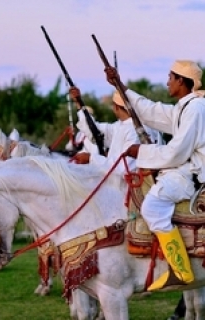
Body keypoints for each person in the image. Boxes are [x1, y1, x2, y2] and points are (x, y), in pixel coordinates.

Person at [104, 60, 205, 291]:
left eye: (171, 77)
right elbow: (151, 111)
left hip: (194, 173)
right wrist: (121, 86)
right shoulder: (185, 107)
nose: (167, 81)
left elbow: (177, 151)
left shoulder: (196, 109)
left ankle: (180, 270)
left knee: (152, 206)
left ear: (181, 80)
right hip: (186, 167)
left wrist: (142, 151)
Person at [69, 87, 160, 189]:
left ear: (116, 107)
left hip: (130, 192)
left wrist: (91, 158)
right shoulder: (121, 126)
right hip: (118, 189)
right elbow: (95, 131)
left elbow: (122, 167)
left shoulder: (135, 130)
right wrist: (79, 103)